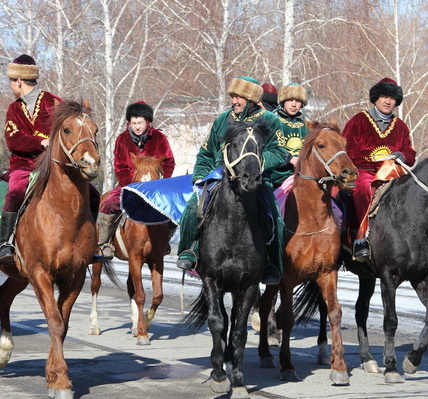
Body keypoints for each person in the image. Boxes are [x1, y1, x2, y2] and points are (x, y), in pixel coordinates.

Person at [176, 76, 287, 285]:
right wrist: (200, 176)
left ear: (251, 99)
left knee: (276, 221)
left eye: (239, 97)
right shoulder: (223, 119)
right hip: (220, 176)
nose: (234, 100)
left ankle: (272, 264)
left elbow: (280, 152)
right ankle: (189, 251)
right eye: (233, 96)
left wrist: (256, 164)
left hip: (257, 179)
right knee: (192, 208)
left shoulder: (270, 120)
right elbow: (206, 152)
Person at [0, 54, 63, 265]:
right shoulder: (13, 108)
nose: (10, 85)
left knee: (89, 192)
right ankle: (5, 243)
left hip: (53, 166)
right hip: (23, 167)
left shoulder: (54, 102)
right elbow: (13, 140)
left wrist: (52, 143)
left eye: (11, 81)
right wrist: (40, 142)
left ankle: (93, 243)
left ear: (18, 81)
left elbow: (66, 130)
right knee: (15, 191)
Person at [342, 77, 416, 261]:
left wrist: (403, 155)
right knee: (362, 189)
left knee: (412, 192)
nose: (387, 101)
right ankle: (359, 239)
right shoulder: (358, 120)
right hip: (363, 171)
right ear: (375, 98)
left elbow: (410, 152)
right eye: (383, 96)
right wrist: (348, 175)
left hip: (392, 172)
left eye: (392, 98)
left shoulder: (401, 126)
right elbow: (346, 150)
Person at [97, 101, 176, 259]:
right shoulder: (122, 139)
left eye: (140, 122)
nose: (137, 126)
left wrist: (164, 181)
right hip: (129, 184)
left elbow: (169, 162)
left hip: (155, 185)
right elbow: (119, 166)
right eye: (134, 123)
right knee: (109, 203)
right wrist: (131, 185)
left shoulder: (159, 138)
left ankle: (164, 241)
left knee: (172, 207)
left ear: (147, 122)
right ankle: (104, 242)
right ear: (129, 123)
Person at [265, 83, 310, 188]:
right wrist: (289, 158)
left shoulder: (307, 125)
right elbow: (269, 149)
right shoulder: (272, 122)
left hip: (302, 176)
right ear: (283, 101)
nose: (294, 104)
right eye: (290, 100)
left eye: (298, 101)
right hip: (276, 178)